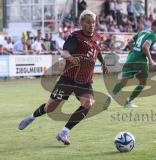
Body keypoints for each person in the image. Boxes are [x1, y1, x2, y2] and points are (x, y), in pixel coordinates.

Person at [18, 10, 108, 145]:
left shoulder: (95, 38)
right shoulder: (75, 37)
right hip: (68, 78)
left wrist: (103, 63)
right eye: (89, 22)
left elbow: (97, 50)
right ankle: (31, 117)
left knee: (88, 103)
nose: (92, 25)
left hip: (85, 80)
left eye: (94, 22)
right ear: (81, 22)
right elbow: (64, 52)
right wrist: (70, 57)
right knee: (51, 108)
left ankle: (64, 132)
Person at [106, 20, 156, 108]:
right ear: (154, 26)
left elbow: (130, 42)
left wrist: (135, 50)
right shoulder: (153, 35)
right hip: (140, 60)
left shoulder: (142, 31)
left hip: (130, 58)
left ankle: (110, 96)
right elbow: (145, 47)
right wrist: (151, 60)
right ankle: (128, 102)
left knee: (123, 82)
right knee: (142, 83)